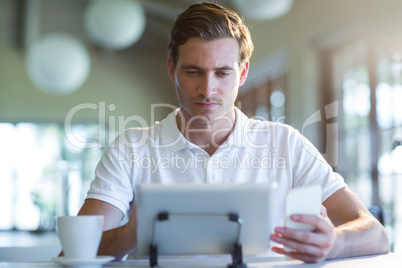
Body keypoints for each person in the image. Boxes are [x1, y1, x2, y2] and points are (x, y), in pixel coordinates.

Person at [77, 1, 390, 263]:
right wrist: (133, 232)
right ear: (172, 70)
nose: (207, 89)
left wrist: (334, 242)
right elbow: (76, 250)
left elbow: (375, 233)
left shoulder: (285, 143)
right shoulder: (132, 147)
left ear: (242, 73)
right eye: (193, 71)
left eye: (222, 73)